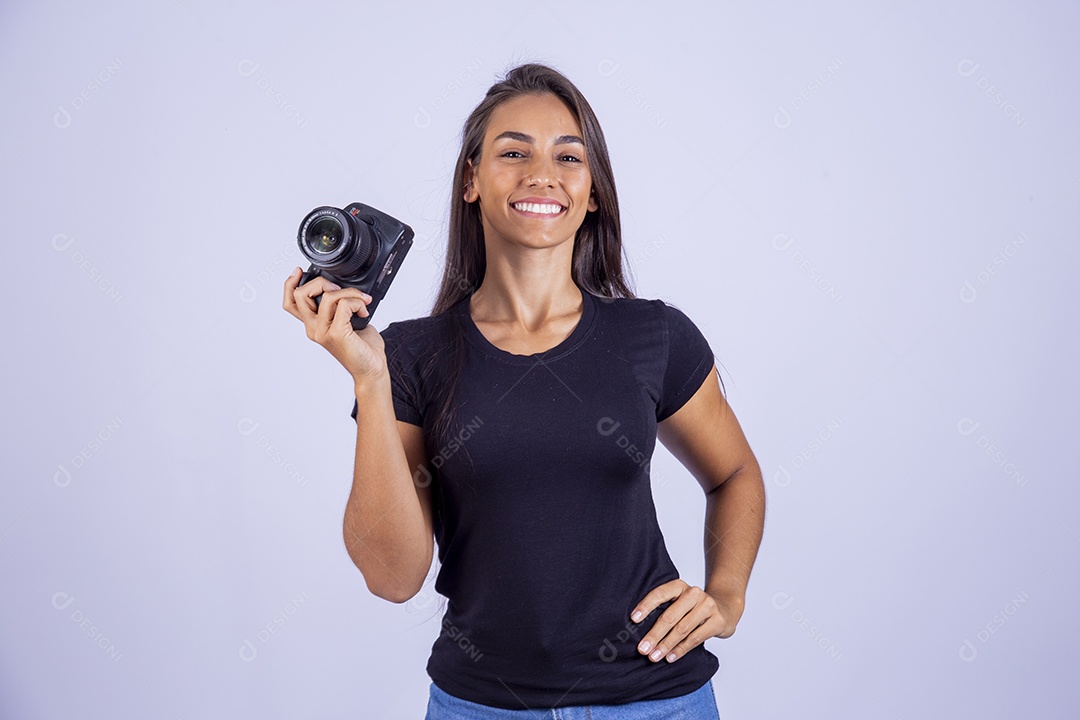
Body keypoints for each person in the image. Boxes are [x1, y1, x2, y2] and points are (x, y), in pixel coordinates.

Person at [283, 63, 765, 720]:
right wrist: (371, 377)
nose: (542, 173)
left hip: (657, 701)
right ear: (471, 181)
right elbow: (393, 578)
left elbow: (735, 472)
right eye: (514, 152)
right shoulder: (412, 355)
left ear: (592, 191)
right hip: (482, 706)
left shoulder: (653, 335)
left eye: (568, 156)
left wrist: (727, 596)